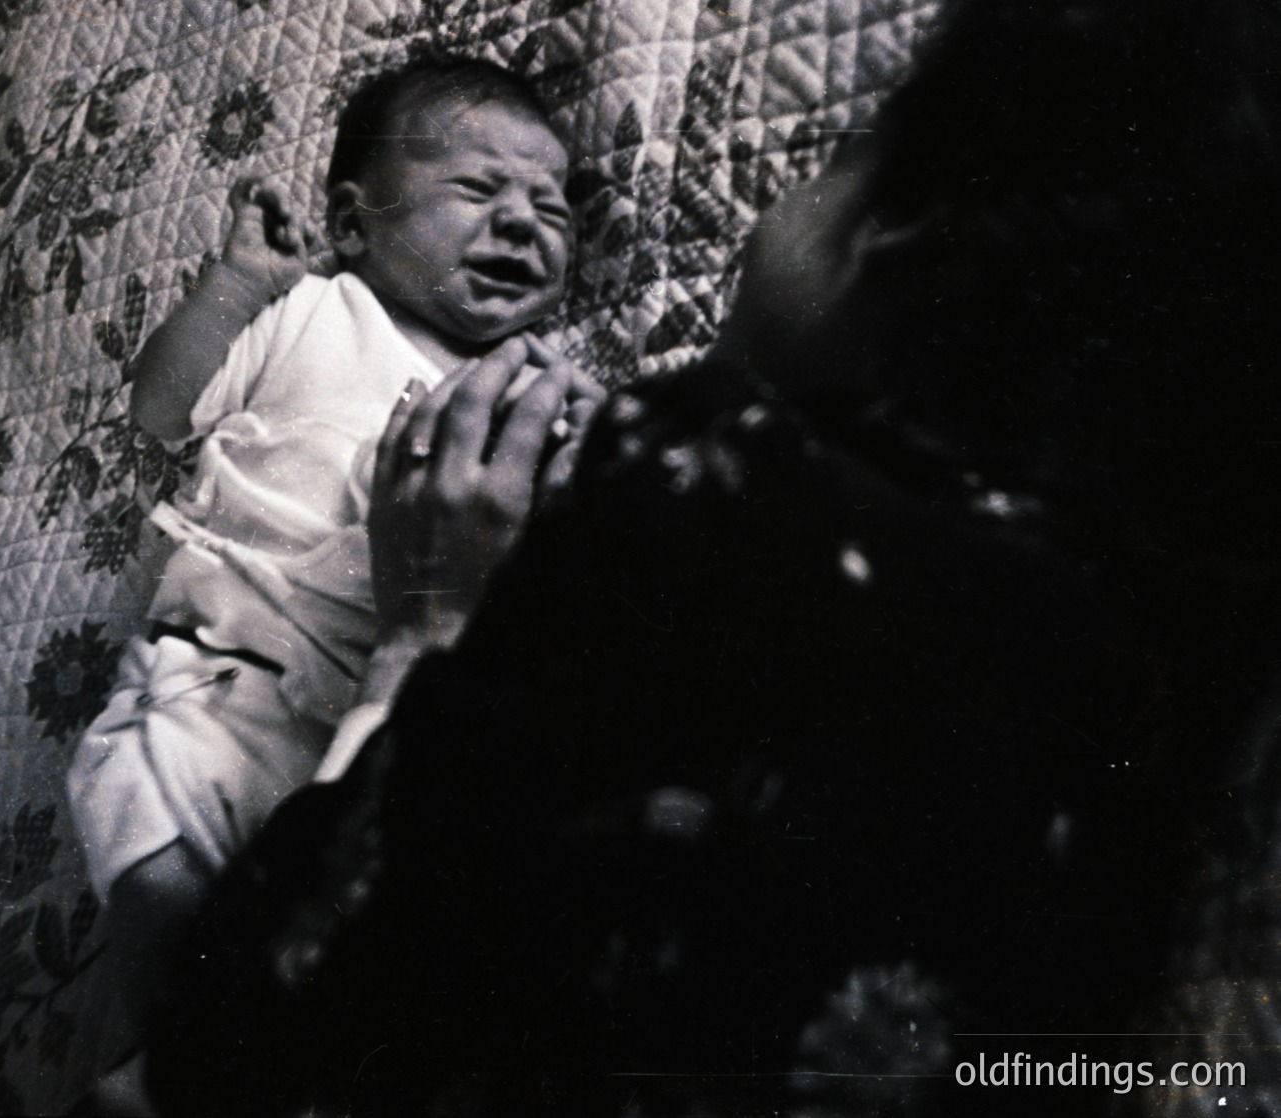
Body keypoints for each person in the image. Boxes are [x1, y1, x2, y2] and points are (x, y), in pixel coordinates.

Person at [142, 0, 1281, 1114]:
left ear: (905, 230)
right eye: (479, 189)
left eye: (850, 153)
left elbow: (252, 1027)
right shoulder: (1170, 703)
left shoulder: (706, 469)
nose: (528, 222)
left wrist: (433, 630)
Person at [65, 56, 599, 1032]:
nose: (524, 221)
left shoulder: (528, 385)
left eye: (554, 208)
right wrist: (235, 288)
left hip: (362, 742)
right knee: (172, 916)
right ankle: (150, 1051)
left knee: (337, 957)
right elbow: (161, 408)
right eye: (478, 189)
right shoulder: (312, 311)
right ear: (354, 225)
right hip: (212, 708)